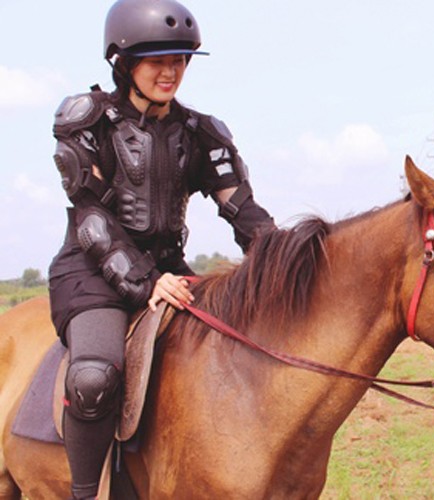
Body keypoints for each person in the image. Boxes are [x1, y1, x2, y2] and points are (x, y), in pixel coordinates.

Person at [48, 0, 275, 497]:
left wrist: (284, 260)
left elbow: (242, 210)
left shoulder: (202, 133)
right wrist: (146, 282)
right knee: (92, 377)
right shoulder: (88, 122)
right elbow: (92, 219)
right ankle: (86, 492)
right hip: (91, 273)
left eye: (179, 60)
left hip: (172, 272)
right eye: (157, 61)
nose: (170, 72)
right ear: (124, 64)